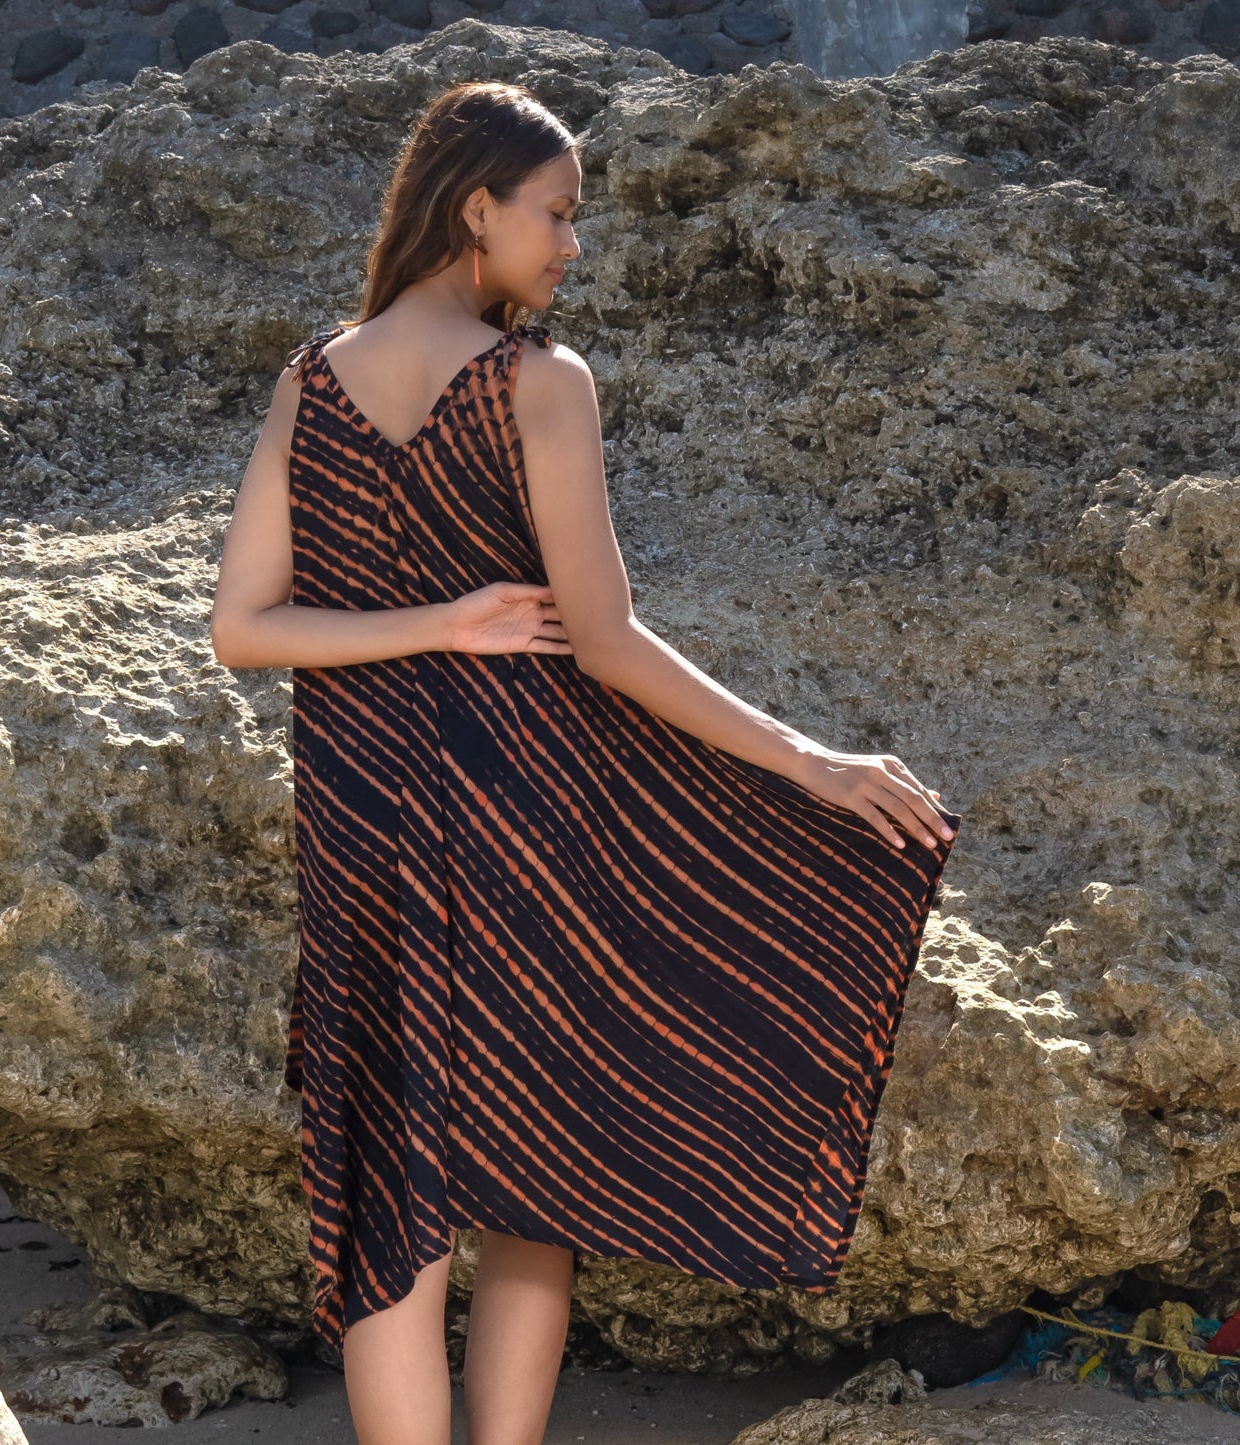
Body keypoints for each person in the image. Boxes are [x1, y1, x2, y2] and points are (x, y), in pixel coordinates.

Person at [210, 79, 959, 1445]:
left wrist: (422, 623)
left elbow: (244, 628)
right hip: (517, 811)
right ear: (474, 206)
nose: (571, 248)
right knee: (527, 1168)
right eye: (556, 215)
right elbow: (604, 644)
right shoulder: (538, 384)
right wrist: (806, 760)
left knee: (392, 1170)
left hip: (361, 816)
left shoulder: (306, 384)